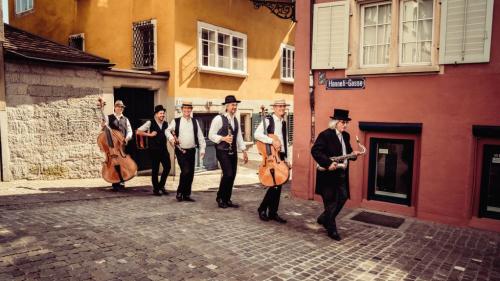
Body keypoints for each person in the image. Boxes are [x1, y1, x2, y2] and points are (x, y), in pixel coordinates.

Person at [311, 109, 362, 241]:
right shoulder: (325, 135)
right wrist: (328, 163)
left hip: (341, 173)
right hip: (328, 174)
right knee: (330, 202)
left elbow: (348, 152)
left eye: (346, 122)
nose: (345, 125)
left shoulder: (346, 136)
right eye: (342, 122)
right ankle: (331, 229)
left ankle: (324, 218)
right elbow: (315, 151)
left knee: (343, 197)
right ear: (335, 122)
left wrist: (354, 154)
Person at [208, 95, 248, 208]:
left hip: (233, 150)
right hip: (222, 150)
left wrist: (244, 151)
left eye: (236, 105)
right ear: (226, 106)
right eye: (232, 105)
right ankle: (220, 197)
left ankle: (227, 199)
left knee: (232, 175)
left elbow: (239, 136)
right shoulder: (218, 119)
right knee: (228, 174)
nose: (234, 107)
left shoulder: (235, 119)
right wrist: (223, 138)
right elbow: (210, 135)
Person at [254, 99, 290, 223]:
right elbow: (257, 134)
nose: (282, 108)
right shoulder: (268, 120)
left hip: (280, 156)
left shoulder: (283, 122)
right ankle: (262, 209)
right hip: (270, 156)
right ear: (274, 108)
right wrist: (272, 141)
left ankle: (273, 212)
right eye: (279, 106)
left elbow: (285, 141)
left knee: (279, 185)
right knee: (274, 185)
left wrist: (287, 159)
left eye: (283, 106)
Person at [166, 101, 206, 202]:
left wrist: (202, 149)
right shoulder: (176, 121)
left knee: (191, 173)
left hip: (192, 151)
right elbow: (167, 131)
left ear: (191, 110)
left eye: (189, 109)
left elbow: (200, 137)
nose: (187, 110)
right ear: (182, 109)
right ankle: (180, 192)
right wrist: (171, 138)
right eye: (185, 108)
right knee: (185, 171)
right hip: (181, 151)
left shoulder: (195, 122)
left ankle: (186, 194)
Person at [136, 105, 171, 196]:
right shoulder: (150, 123)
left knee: (167, 167)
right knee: (155, 170)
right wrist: (150, 135)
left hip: (164, 150)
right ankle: (156, 189)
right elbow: (138, 131)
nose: (162, 115)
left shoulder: (166, 124)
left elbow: (170, 135)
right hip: (154, 150)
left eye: (163, 113)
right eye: (160, 113)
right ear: (156, 114)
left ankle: (161, 186)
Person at [102, 100, 133, 191]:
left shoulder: (126, 119)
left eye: (122, 107)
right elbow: (104, 127)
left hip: (121, 145)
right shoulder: (109, 117)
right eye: (118, 106)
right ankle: (115, 181)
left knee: (122, 163)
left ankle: (122, 179)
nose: (120, 108)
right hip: (112, 146)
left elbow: (130, 130)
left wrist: (127, 138)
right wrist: (103, 124)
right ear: (115, 107)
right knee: (114, 162)